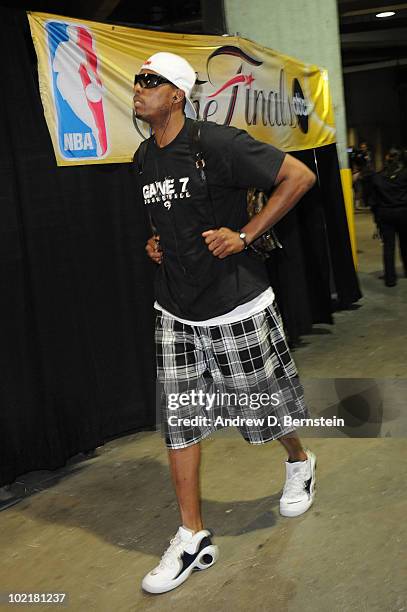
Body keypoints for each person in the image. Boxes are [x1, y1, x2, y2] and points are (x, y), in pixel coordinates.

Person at [133, 52, 317, 595]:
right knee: (180, 419)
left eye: (151, 81)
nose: (139, 89)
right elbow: (169, 217)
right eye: (138, 80)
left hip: (235, 302)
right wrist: (158, 243)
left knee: (263, 410)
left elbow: (299, 176)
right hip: (175, 309)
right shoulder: (144, 157)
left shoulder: (216, 143)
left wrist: (246, 233)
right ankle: (191, 534)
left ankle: (301, 461)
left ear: (177, 95)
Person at [371, 148, 407, 286]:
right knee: (405, 244)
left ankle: (390, 278)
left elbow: (374, 201)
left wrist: (377, 219)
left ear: (386, 159)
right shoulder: (404, 175)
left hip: (385, 215)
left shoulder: (378, 177)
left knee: (388, 246)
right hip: (404, 213)